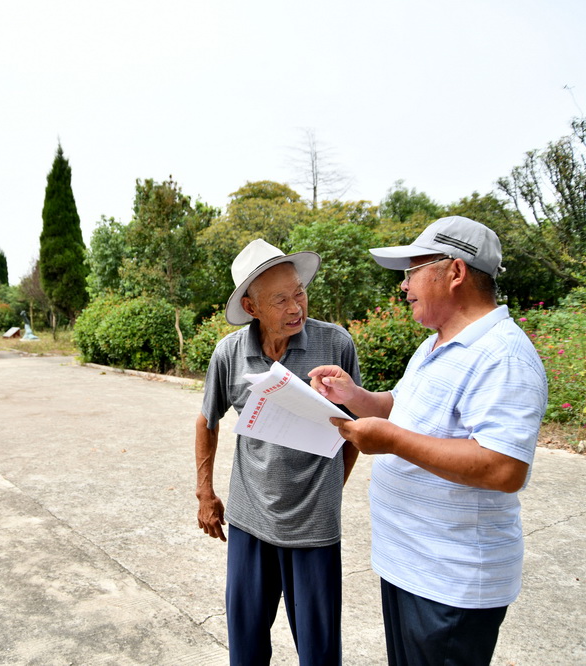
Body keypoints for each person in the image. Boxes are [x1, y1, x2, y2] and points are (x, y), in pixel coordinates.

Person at [308, 216, 548, 666]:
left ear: (454, 272)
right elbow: (402, 407)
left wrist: (392, 442)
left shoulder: (504, 356)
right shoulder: (435, 344)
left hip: (452, 584)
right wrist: (354, 397)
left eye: (412, 271)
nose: (404, 286)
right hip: (410, 565)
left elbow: (503, 467)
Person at [196, 238, 361, 665]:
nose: (296, 308)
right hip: (250, 520)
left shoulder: (335, 345)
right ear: (251, 307)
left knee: (319, 649)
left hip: (314, 528)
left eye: (299, 293)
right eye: (281, 300)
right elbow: (207, 420)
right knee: (246, 644)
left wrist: (329, 488)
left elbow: (356, 427)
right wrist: (205, 494)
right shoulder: (229, 353)